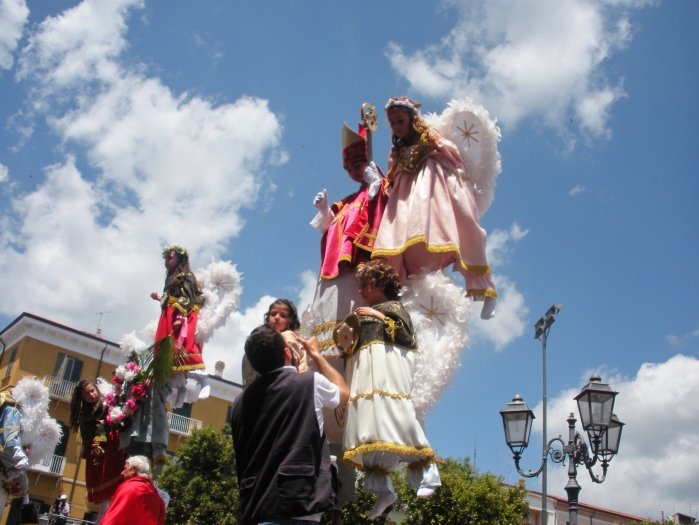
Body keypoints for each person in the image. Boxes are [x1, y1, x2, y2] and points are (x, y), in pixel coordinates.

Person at [308, 123, 390, 522]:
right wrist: (326, 214)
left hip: (358, 282)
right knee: (329, 353)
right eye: (351, 167)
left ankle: (362, 483)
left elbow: (385, 227)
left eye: (360, 164)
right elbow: (330, 236)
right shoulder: (344, 205)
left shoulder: (380, 190)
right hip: (331, 286)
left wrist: (378, 192)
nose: (356, 172)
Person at [371, 97, 497, 320]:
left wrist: (439, 160)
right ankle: (408, 301)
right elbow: (391, 178)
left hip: (432, 196)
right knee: (401, 249)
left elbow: (453, 157)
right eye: (392, 123)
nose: (396, 127)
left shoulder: (430, 138)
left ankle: (485, 288)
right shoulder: (396, 152)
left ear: (412, 119)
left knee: (461, 229)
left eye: (400, 120)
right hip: (405, 203)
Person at [339, 259, 441, 519]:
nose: (361, 290)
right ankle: (383, 488)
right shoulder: (364, 311)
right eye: (360, 285)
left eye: (366, 285)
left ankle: (426, 471)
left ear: (381, 284)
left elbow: (406, 338)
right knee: (371, 426)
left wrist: (376, 315)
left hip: (386, 375)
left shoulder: (394, 308)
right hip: (365, 376)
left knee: (394, 417)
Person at [231, 324, 349, 525]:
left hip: (254, 507)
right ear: (287, 352)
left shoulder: (238, 402)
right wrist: (316, 354)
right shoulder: (308, 383)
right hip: (297, 503)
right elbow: (343, 394)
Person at [69, 380, 128, 524]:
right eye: (86, 394)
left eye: (92, 391)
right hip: (95, 449)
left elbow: (108, 422)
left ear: (96, 389)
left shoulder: (106, 403)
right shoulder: (84, 412)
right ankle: (104, 516)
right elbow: (84, 432)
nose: (91, 395)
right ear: (82, 397)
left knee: (115, 477)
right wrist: (87, 447)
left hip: (109, 445)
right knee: (103, 487)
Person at [241, 298, 304, 388]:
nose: (277, 318)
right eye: (273, 314)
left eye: (283, 316)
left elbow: (290, 362)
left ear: (290, 322)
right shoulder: (261, 340)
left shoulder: (288, 336)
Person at [100, 456, 166, 525]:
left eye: (125, 469)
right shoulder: (158, 499)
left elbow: (111, 519)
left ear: (133, 470)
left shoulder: (128, 488)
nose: (122, 473)